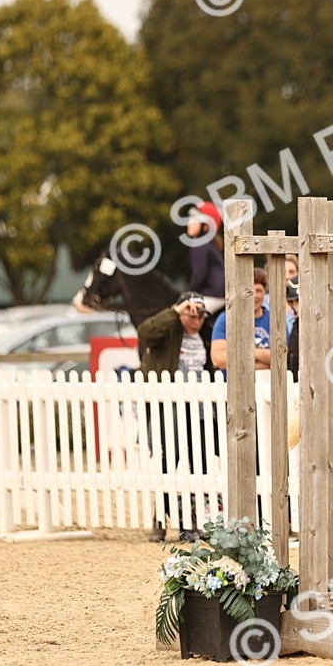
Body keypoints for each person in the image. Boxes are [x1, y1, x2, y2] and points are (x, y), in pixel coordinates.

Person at [137, 291, 214, 542]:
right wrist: (174, 313)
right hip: (169, 408)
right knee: (167, 463)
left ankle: (196, 520)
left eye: (200, 316)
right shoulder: (168, 332)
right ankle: (160, 519)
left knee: (200, 465)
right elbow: (145, 333)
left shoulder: (206, 335)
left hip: (199, 409)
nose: (196, 321)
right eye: (191, 315)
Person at [210, 267, 272, 371]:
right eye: (250, 291)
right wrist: (259, 355)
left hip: (267, 381)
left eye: (259, 291)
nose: (255, 296)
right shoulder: (226, 319)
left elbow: (280, 358)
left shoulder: (274, 320)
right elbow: (218, 359)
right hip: (230, 381)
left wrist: (239, 358)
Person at [187, 202, 226, 347]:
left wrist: (186, 294)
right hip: (215, 293)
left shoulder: (199, 244)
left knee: (184, 314)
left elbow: (199, 275)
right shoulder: (207, 244)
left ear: (206, 226)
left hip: (213, 295)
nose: (189, 224)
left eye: (194, 220)